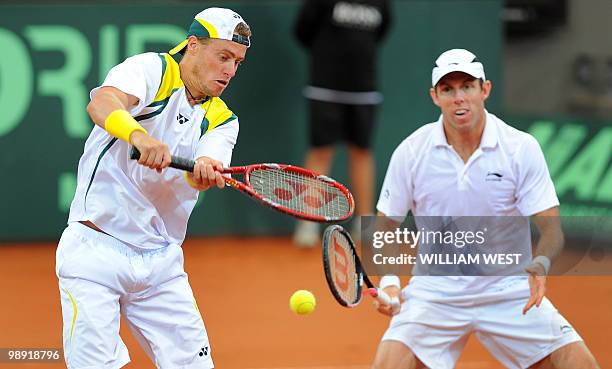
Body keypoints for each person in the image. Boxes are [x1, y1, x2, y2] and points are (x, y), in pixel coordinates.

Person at [371, 49, 600, 369]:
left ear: (485, 90)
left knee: (580, 365)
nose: (458, 98)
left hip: (509, 289)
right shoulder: (411, 152)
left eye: (467, 86)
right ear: (434, 96)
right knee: (387, 365)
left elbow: (551, 228)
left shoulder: (520, 148)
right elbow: (384, 228)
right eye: (448, 90)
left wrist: (541, 263)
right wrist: (390, 282)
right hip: (435, 292)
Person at [55, 8, 251, 368]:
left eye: (237, 62)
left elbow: (202, 169)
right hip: (95, 254)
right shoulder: (152, 69)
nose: (230, 70)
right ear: (193, 46)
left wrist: (203, 172)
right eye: (223, 56)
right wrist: (138, 135)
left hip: (161, 264)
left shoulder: (223, 120)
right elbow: (102, 103)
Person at [293, 0, 392, 246]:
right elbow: (302, 30)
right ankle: (308, 222)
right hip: (325, 87)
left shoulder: (381, 2)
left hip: (363, 89)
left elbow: (382, 30)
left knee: (361, 152)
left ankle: (364, 223)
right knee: (320, 151)